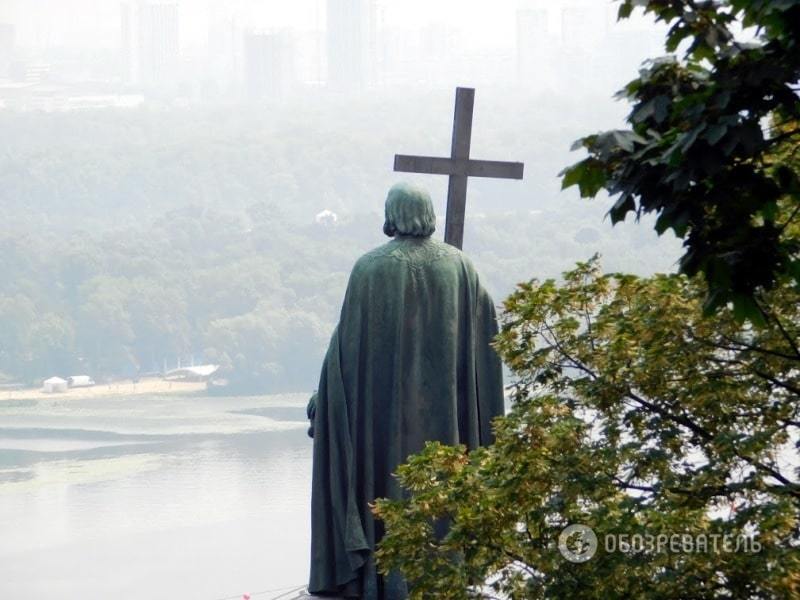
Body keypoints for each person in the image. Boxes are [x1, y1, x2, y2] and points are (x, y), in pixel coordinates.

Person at [307, 182, 504, 599]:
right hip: (446, 418)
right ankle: (442, 574)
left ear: (392, 213)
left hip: (382, 421)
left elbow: (346, 348)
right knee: (442, 482)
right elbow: (488, 334)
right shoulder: (461, 268)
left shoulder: (370, 269)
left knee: (383, 485)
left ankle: (384, 576)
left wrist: (323, 400)